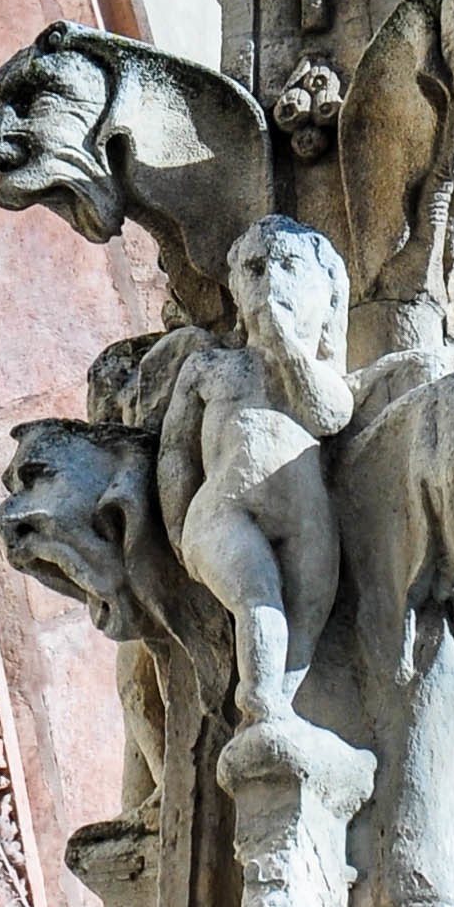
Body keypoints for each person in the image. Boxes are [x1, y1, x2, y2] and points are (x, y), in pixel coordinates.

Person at [155, 218, 354, 727]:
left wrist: (289, 350)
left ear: (328, 294)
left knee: (308, 615)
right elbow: (175, 453)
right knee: (259, 598)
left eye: (289, 267)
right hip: (225, 512)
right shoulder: (212, 368)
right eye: (256, 270)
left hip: (307, 520)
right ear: (237, 292)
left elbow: (331, 415)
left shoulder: (320, 376)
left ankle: (278, 714)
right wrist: (177, 528)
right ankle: (260, 701)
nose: (271, 283)